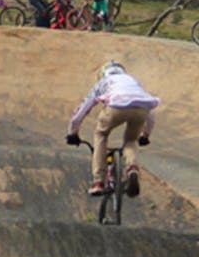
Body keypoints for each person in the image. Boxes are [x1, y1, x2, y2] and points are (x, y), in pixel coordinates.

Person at [66, 61, 160, 197]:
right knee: (132, 140)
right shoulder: (133, 81)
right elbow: (149, 109)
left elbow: (83, 110)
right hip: (141, 109)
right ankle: (132, 168)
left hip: (116, 107)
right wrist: (146, 134)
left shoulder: (103, 82)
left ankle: (99, 182)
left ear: (104, 74)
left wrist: (72, 132)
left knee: (101, 135)